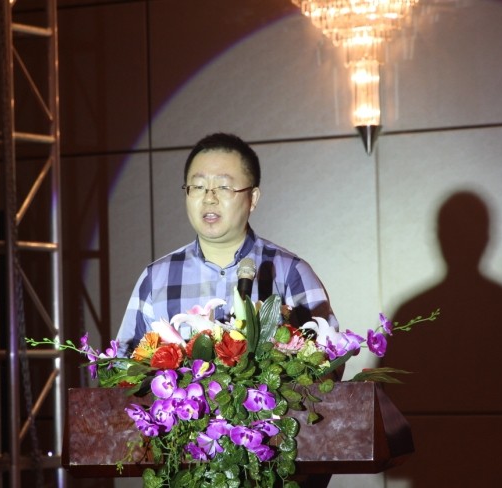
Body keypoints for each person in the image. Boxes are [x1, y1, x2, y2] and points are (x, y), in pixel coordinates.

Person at [115, 132, 338, 357]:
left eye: (223, 187)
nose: (209, 198)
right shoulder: (156, 279)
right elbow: (122, 364)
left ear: (252, 198)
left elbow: (328, 361)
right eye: (198, 186)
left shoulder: (291, 273)